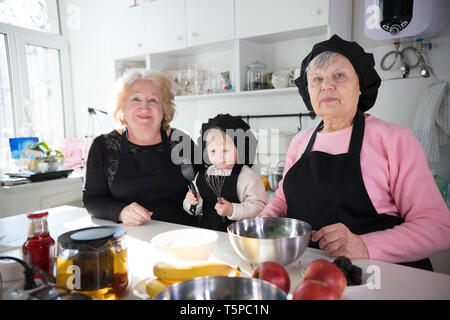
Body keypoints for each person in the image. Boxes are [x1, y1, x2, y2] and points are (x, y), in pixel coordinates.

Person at [259, 35, 450, 270]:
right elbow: (282, 199)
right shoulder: (300, 141)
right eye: (316, 79)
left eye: (339, 76)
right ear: (308, 91)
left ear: (360, 85)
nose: (326, 85)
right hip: (313, 274)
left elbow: (437, 226)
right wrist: (268, 218)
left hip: (382, 280)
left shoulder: (394, 139)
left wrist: (364, 246)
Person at [83, 70, 198, 227]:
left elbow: (208, 183)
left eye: (153, 100)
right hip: (129, 239)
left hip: (178, 237)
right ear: (122, 107)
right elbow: (92, 199)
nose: (144, 106)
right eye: (135, 99)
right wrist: (120, 211)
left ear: (164, 108)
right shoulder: (103, 146)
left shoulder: (181, 141)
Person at [183, 114, 267, 232]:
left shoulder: (247, 177)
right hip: (208, 236)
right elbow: (195, 210)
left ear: (240, 148)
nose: (219, 157)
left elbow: (260, 208)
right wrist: (191, 202)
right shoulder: (202, 175)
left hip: (239, 238)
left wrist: (233, 210)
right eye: (213, 151)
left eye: (226, 150)